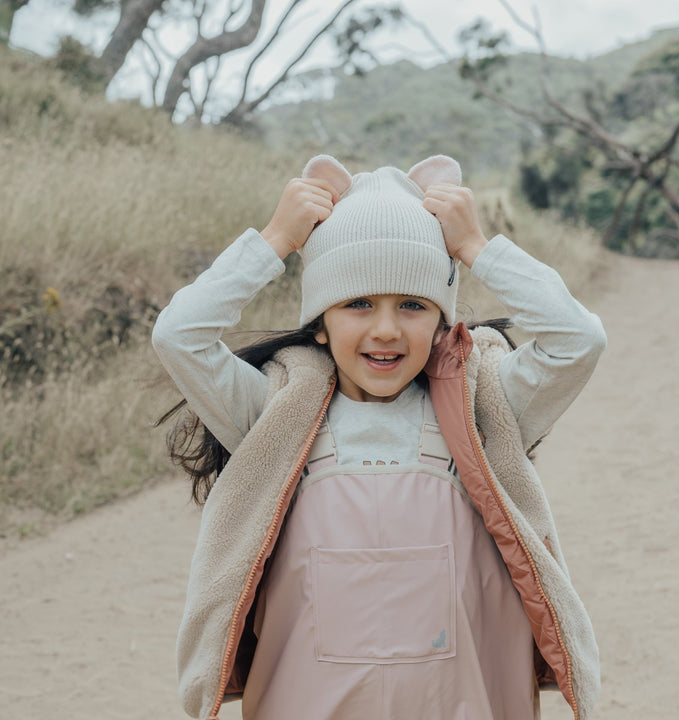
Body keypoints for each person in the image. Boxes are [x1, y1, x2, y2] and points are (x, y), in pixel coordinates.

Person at [152, 154, 606, 720]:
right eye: (358, 303)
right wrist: (273, 241)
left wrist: (478, 249)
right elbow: (178, 336)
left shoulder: (485, 408)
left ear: (442, 322)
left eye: (413, 305)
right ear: (319, 322)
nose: (386, 329)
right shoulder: (270, 414)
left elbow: (579, 339)